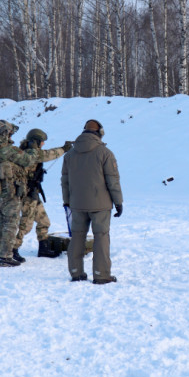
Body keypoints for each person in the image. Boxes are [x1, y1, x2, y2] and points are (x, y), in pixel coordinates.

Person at [61, 119, 123, 284]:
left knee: (77, 237)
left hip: (76, 204)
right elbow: (113, 180)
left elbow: (65, 181)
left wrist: (67, 201)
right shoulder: (105, 153)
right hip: (100, 204)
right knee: (101, 237)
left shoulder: (69, 154)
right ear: (100, 133)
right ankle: (101, 275)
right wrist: (118, 202)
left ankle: (76, 272)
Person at [0, 120, 47, 267]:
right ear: (5, 133)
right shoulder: (8, 150)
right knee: (10, 224)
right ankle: (6, 256)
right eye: (10, 133)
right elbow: (28, 160)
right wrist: (32, 149)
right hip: (9, 192)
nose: (11, 135)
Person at [13, 129, 72, 262]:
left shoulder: (28, 151)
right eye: (42, 141)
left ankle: (43, 248)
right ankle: (13, 249)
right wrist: (64, 149)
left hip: (33, 193)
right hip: (27, 195)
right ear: (36, 141)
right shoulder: (30, 153)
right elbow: (48, 155)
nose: (43, 144)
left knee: (44, 221)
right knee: (25, 225)